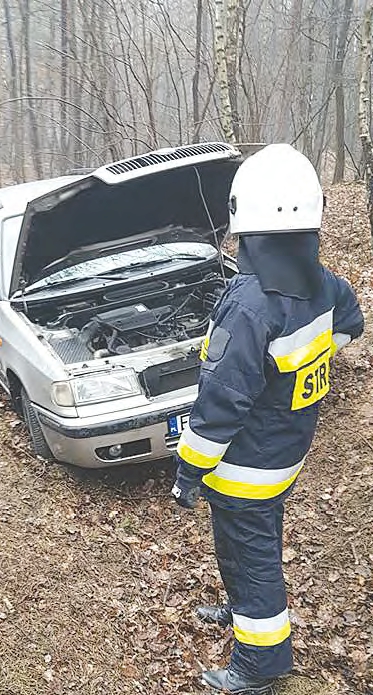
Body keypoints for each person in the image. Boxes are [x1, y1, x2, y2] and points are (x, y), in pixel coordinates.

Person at [171, 144, 364, 694]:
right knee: (244, 542)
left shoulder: (251, 306)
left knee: (255, 558)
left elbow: (220, 402)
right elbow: (352, 324)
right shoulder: (323, 283)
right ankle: (239, 610)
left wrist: (188, 472)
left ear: (246, 224)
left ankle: (261, 664)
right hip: (287, 451)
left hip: (246, 465)